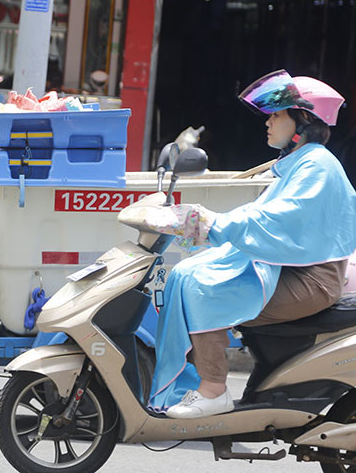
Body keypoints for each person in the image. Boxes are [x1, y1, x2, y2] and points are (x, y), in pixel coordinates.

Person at [147, 70, 356, 419]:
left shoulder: (317, 167)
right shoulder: (296, 163)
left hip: (311, 281)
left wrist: (214, 223)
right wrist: (207, 225)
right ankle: (189, 384)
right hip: (288, 269)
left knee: (204, 289)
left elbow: (276, 220)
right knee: (185, 273)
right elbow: (259, 213)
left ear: (302, 120)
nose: (268, 123)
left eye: (276, 115)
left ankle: (213, 389)